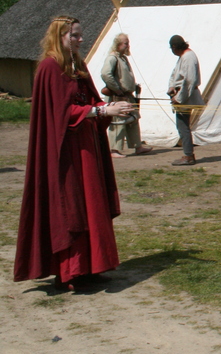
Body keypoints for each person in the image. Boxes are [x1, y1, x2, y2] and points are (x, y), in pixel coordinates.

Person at [13, 16, 134, 289]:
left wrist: (110, 106)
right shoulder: (50, 67)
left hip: (86, 147)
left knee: (92, 203)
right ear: (60, 37)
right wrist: (101, 111)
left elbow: (89, 99)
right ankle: (71, 270)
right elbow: (59, 113)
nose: (80, 40)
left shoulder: (76, 65)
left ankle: (93, 266)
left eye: (80, 35)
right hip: (64, 152)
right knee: (71, 208)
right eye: (74, 36)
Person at [100, 33, 151, 158]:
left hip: (127, 95)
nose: (128, 45)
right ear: (118, 44)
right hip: (118, 96)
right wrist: (117, 89)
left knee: (133, 119)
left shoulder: (123, 58)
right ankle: (114, 150)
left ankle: (137, 146)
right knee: (118, 122)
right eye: (125, 43)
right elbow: (106, 74)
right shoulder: (112, 58)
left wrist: (133, 87)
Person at [167, 34, 203, 166]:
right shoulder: (183, 56)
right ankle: (188, 154)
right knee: (182, 126)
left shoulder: (188, 57)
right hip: (181, 95)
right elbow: (175, 74)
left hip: (185, 97)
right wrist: (171, 87)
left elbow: (189, 81)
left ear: (175, 47)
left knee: (183, 126)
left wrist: (179, 98)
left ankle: (188, 156)